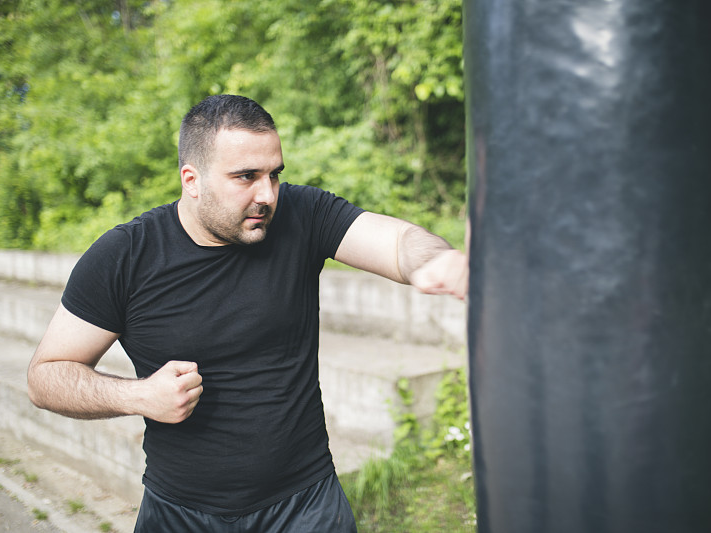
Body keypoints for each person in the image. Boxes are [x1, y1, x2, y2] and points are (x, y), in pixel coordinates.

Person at [26, 94, 468, 532]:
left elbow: (396, 242)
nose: (267, 194)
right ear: (191, 179)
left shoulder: (302, 214)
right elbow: (46, 376)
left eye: (274, 174)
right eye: (246, 177)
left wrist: (434, 260)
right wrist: (137, 396)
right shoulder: (125, 256)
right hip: (180, 513)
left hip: (307, 506)